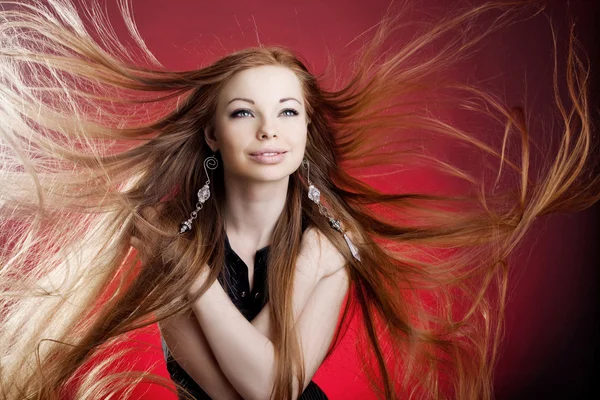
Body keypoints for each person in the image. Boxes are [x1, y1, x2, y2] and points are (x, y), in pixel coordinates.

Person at [0, 1, 597, 399]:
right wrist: (184, 267)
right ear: (212, 133)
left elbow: (277, 392)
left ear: (307, 130)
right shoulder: (174, 245)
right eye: (243, 113)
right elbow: (243, 392)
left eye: (288, 112)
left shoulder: (325, 248)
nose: (269, 131)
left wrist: (193, 279)